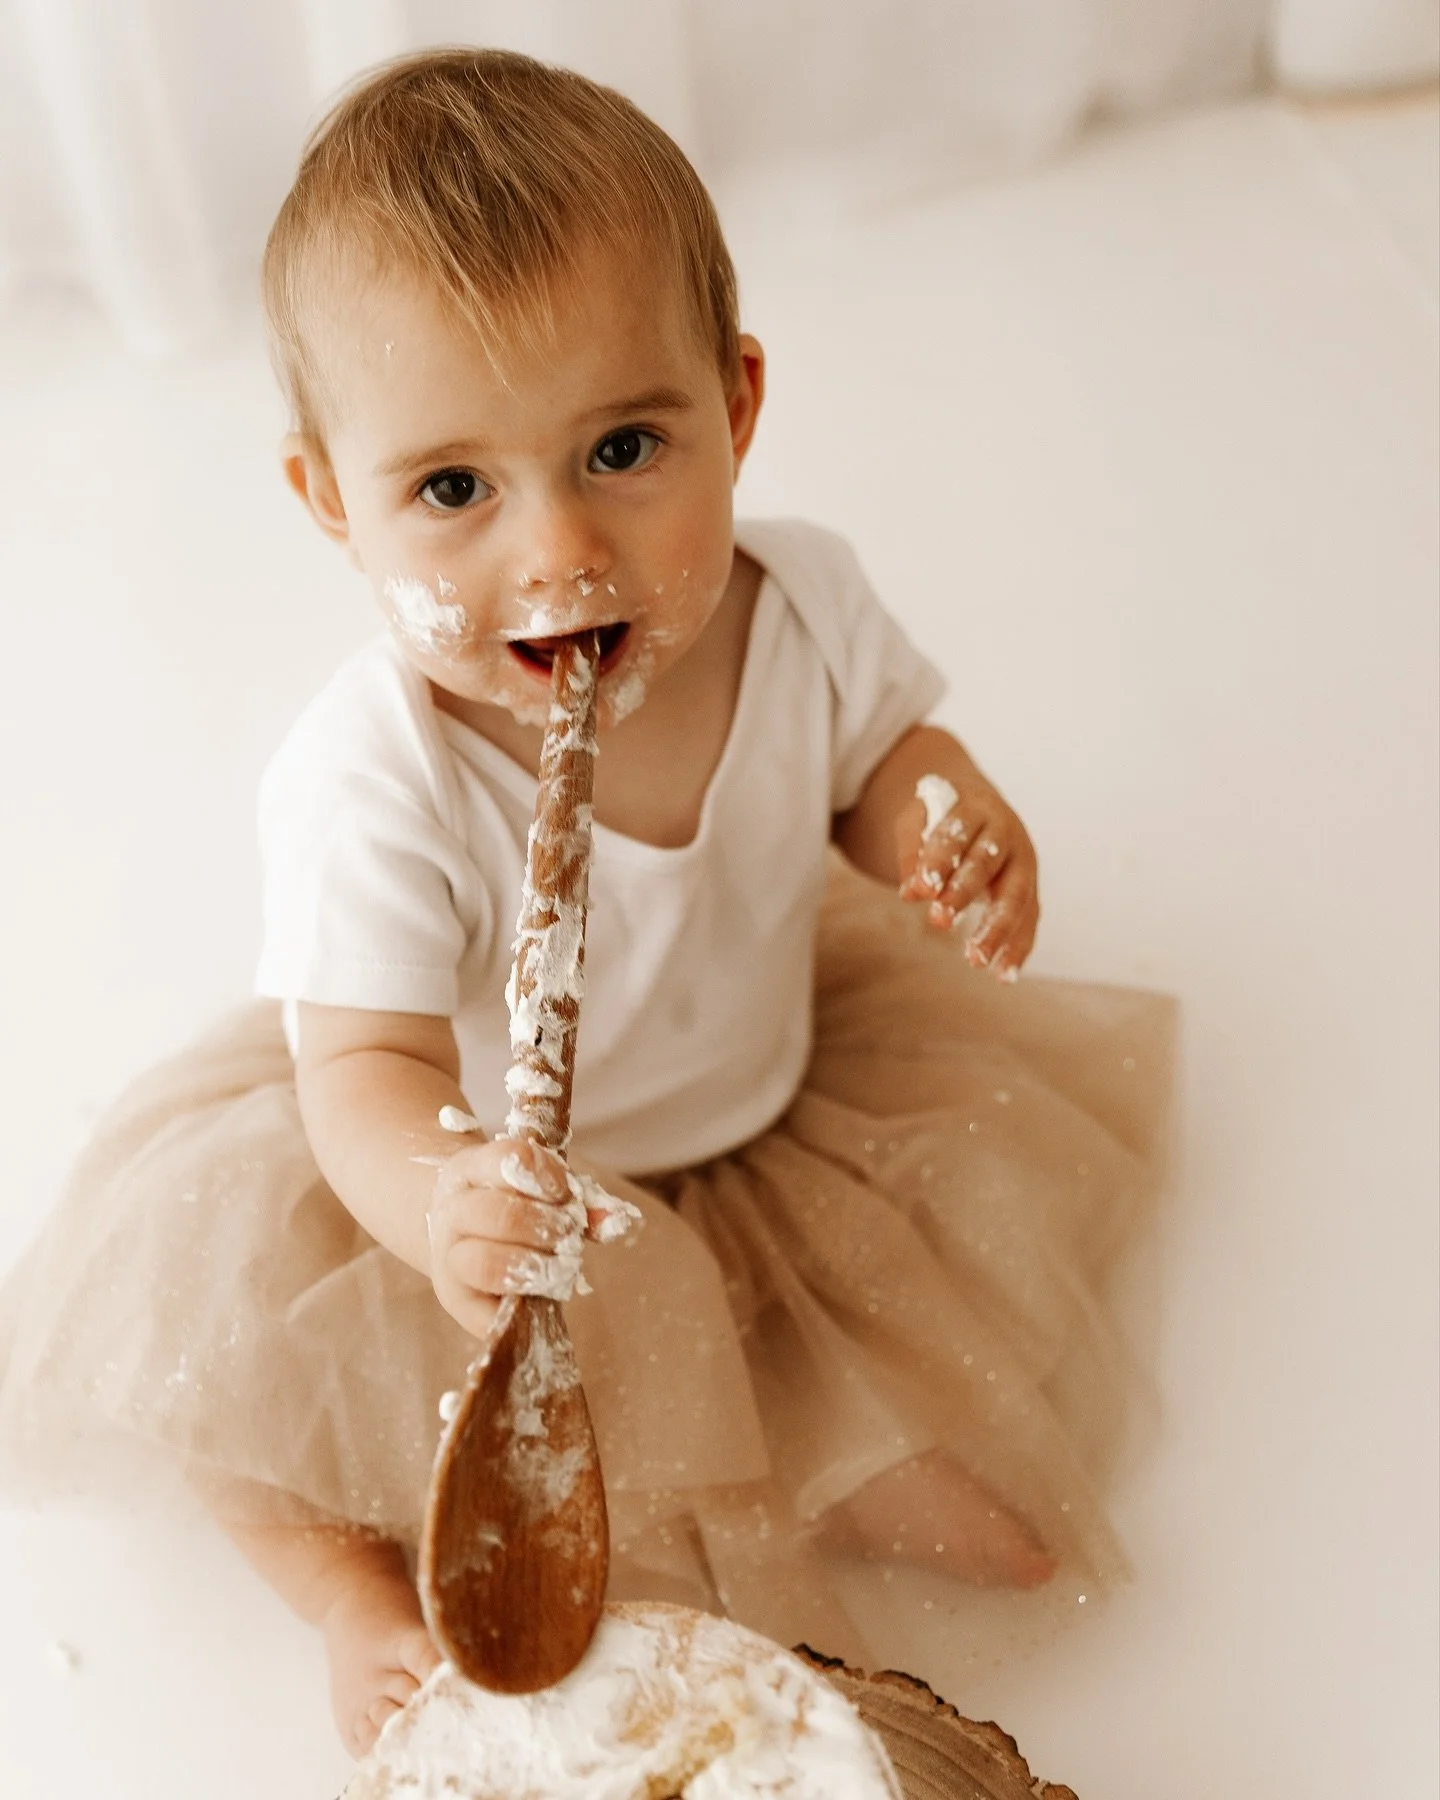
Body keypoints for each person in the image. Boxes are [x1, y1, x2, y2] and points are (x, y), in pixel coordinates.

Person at [0, 47, 1176, 1759]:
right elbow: (366, 1070)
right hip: (493, 1185)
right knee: (244, 1385)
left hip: (762, 1102)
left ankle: (837, 1457)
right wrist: (439, 1201)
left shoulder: (801, 602)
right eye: (453, 490)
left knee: (801, 1330)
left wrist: (945, 825)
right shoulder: (376, 778)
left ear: (737, 405)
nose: (558, 551)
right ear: (332, 501)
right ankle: (351, 1594)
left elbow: (875, 767)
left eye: (623, 447)